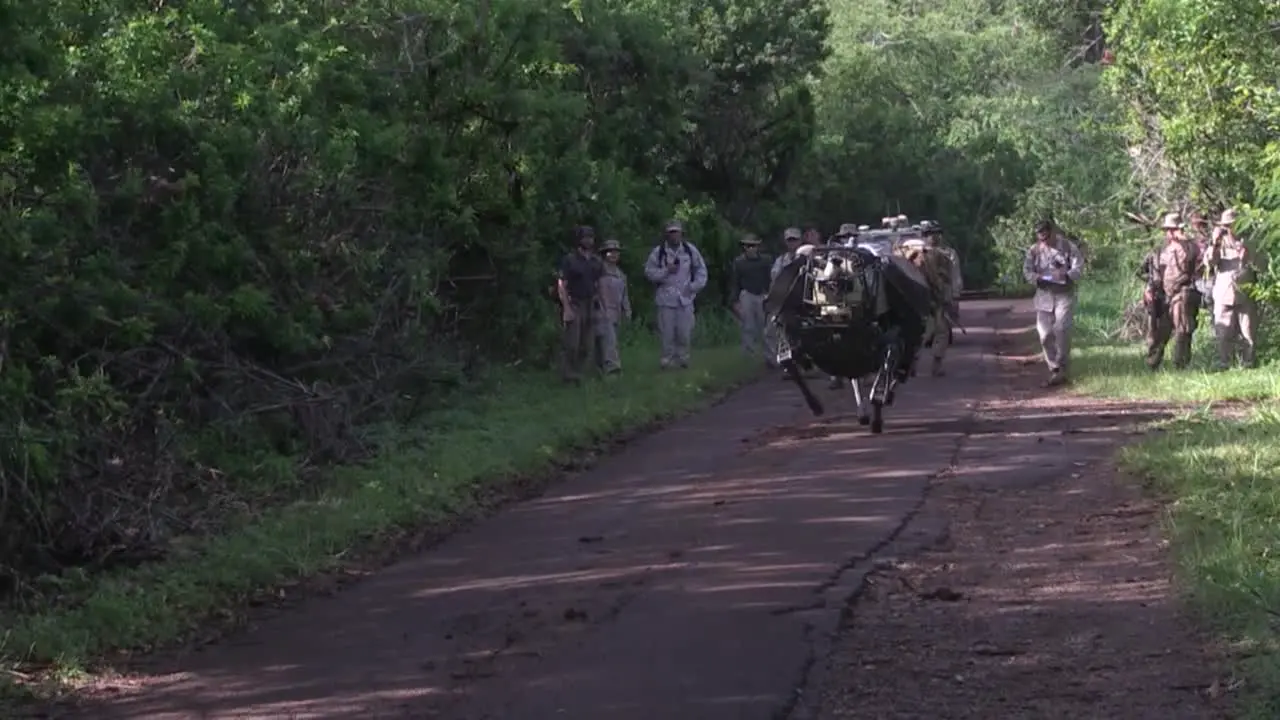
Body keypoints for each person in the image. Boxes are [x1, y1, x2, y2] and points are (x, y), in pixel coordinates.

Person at [1022, 218, 1085, 386]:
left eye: (1046, 236)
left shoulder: (1067, 247)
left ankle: (1062, 368)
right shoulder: (1034, 251)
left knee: (1061, 329)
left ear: (1052, 232)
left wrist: (1067, 276)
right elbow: (1027, 271)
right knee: (1045, 335)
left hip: (1064, 293)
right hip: (1044, 295)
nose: (1044, 240)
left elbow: (1079, 267)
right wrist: (1036, 279)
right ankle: (1054, 367)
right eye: (1040, 237)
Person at [643, 219, 708, 369]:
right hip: (666, 298)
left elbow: (701, 271)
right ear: (667, 235)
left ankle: (683, 359)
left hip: (685, 298)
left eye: (677, 232)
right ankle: (667, 360)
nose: (674, 236)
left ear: (681, 234)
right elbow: (649, 273)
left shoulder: (690, 251)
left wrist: (693, 286)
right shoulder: (658, 253)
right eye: (671, 233)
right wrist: (666, 271)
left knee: (684, 333)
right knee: (667, 333)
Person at [1143, 213, 1201, 370]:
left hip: (1182, 292)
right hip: (1164, 295)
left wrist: (1183, 241)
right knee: (1159, 331)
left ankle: (1180, 364)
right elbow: (1154, 272)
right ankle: (1152, 363)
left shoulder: (1191, 247)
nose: (1169, 233)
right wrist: (1149, 289)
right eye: (1168, 230)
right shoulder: (1161, 250)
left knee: (1182, 329)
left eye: (1172, 229)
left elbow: (1195, 264)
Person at [1206, 208, 1258, 369]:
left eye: (1232, 225)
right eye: (1226, 226)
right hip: (1224, 292)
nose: (1229, 229)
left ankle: (1248, 362)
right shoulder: (1218, 243)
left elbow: (1261, 265)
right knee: (1223, 331)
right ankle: (1224, 362)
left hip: (1245, 293)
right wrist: (1214, 243)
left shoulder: (1249, 241)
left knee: (1248, 331)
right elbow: (1209, 263)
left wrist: (1247, 256)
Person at [556, 225, 603, 382]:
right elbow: (562, 283)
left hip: (591, 303)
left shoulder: (596, 261)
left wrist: (601, 303)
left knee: (587, 343)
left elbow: (600, 283)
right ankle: (567, 374)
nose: (589, 240)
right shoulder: (570, 260)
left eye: (591, 237)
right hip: (575, 303)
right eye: (585, 237)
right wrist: (566, 308)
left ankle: (578, 372)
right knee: (572, 342)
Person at [730, 233, 773, 365]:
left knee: (766, 328)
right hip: (746, 294)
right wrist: (734, 301)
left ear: (758, 247)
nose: (750, 248)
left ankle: (770, 356)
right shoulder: (739, 262)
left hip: (762, 294)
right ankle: (748, 357)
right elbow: (735, 282)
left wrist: (770, 296)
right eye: (748, 246)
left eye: (753, 246)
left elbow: (770, 279)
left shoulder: (766, 260)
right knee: (748, 327)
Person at [595, 239, 632, 374]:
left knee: (609, 341)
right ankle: (613, 369)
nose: (614, 254)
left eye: (616, 252)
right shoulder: (598, 271)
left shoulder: (621, 275)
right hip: (601, 310)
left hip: (615, 312)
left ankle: (601, 369)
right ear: (604, 253)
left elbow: (624, 295)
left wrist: (627, 310)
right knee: (607, 341)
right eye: (610, 251)